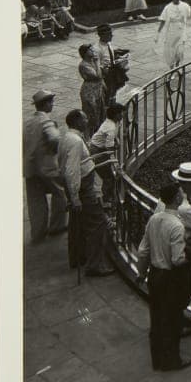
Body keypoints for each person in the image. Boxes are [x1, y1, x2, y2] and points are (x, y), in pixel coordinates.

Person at [136, 182, 191, 372]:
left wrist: (141, 272)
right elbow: (177, 259)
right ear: (177, 198)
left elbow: (143, 250)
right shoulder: (176, 225)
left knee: (157, 318)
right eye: (181, 193)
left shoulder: (154, 219)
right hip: (170, 278)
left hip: (154, 273)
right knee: (172, 319)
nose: (183, 195)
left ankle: (157, 360)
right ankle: (171, 360)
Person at [57, 110, 115, 277]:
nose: (87, 120)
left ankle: (78, 257)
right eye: (84, 118)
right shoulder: (75, 141)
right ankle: (95, 265)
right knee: (98, 223)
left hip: (79, 185)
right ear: (77, 122)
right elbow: (71, 171)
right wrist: (75, 198)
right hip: (83, 187)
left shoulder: (67, 137)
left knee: (78, 223)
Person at [23, 90, 67, 242]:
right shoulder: (46, 122)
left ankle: (38, 233)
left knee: (35, 201)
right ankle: (57, 226)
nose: (52, 105)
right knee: (60, 193)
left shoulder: (27, 122)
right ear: (46, 104)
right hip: (47, 167)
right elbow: (55, 139)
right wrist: (54, 151)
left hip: (30, 168)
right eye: (51, 102)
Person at [89, 102, 123, 196]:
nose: (122, 115)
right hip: (97, 150)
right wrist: (114, 159)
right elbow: (109, 147)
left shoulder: (114, 122)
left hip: (100, 148)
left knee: (110, 175)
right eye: (120, 113)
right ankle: (106, 199)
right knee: (108, 177)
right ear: (115, 115)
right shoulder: (110, 127)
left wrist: (117, 140)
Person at [156, 0, 191, 69]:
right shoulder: (168, 7)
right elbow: (163, 20)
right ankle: (172, 69)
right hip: (171, 32)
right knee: (171, 52)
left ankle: (177, 66)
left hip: (181, 31)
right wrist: (158, 33)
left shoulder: (185, 6)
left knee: (180, 51)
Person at [77, 44, 106, 140]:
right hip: (89, 93)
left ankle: (97, 137)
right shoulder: (83, 65)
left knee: (99, 114)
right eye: (90, 49)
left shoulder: (92, 61)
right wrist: (98, 62)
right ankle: (88, 139)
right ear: (85, 53)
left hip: (97, 91)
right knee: (91, 116)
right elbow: (97, 75)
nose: (92, 50)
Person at [94, 24, 129, 102]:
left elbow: (109, 57)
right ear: (102, 35)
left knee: (115, 92)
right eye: (109, 34)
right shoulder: (97, 49)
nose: (112, 35)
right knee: (108, 94)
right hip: (106, 76)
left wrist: (120, 59)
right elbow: (97, 66)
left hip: (114, 73)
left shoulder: (108, 43)